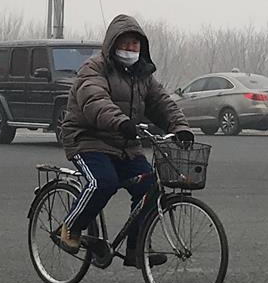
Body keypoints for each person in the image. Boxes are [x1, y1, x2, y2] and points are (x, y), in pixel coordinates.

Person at [57, 14, 189, 268]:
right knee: (103, 182)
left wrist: (180, 127)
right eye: (125, 44)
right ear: (112, 44)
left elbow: (163, 104)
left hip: (125, 144)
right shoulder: (94, 68)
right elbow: (95, 101)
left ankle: (136, 249)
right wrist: (120, 122)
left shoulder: (143, 76)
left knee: (150, 187)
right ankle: (70, 227)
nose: (130, 49)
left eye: (135, 45)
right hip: (88, 139)